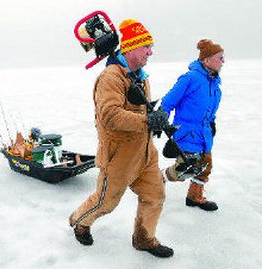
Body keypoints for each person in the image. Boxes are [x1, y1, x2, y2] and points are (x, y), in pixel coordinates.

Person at [69, 19, 173, 258]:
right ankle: (79, 221)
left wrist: (154, 119)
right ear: (131, 47)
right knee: (106, 202)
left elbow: (138, 110)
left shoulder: (140, 75)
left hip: (146, 153)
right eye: (146, 46)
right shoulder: (111, 77)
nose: (151, 51)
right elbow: (110, 115)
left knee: (155, 195)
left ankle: (144, 239)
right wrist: (147, 121)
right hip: (119, 157)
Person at [161, 39, 224, 211]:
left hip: (204, 133)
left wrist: (212, 124)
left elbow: (208, 110)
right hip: (188, 133)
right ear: (206, 60)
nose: (223, 61)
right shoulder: (190, 79)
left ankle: (194, 197)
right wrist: (160, 119)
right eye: (220, 58)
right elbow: (168, 102)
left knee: (206, 166)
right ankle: (158, 179)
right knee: (184, 170)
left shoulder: (214, 83)